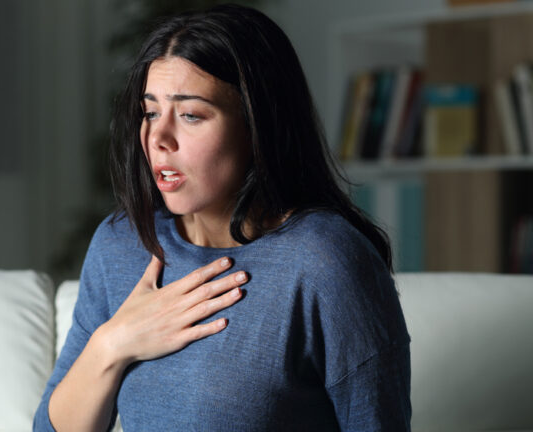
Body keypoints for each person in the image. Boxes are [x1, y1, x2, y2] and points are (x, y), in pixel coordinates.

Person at [34, 4, 411, 431]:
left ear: (257, 124)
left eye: (191, 115)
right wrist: (114, 343)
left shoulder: (326, 262)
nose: (158, 138)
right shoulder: (122, 244)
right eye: (151, 112)